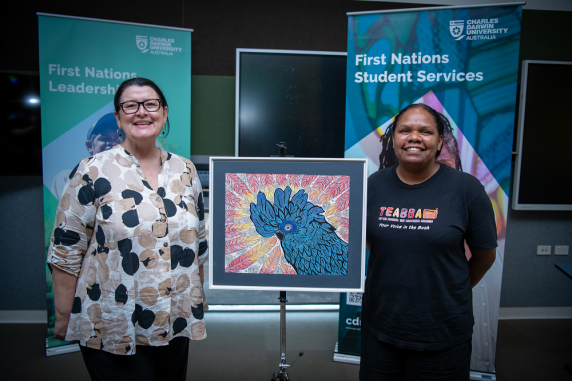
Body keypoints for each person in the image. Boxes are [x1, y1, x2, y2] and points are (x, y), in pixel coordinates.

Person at [48, 77, 208, 381]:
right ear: (119, 116)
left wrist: (197, 299)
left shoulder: (185, 170)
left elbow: (197, 241)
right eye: (130, 106)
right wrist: (63, 314)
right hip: (112, 317)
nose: (141, 112)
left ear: (164, 112)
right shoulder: (92, 170)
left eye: (150, 104)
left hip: (174, 314)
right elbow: (66, 247)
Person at [361, 103, 497, 380]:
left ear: (438, 143)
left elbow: (485, 257)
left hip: (442, 331)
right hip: (381, 325)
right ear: (393, 139)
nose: (414, 137)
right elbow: (372, 243)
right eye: (405, 130)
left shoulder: (466, 189)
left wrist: (448, 290)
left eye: (425, 131)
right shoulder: (372, 185)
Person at [51, 112, 123, 200]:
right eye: (104, 138)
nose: (112, 143)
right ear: (89, 146)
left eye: (117, 139)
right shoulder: (68, 178)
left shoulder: (130, 177)